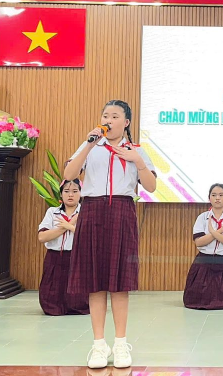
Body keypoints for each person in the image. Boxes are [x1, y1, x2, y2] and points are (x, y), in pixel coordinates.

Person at [62, 100, 157, 369]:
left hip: (122, 213)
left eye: (115, 116)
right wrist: (89, 144)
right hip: (92, 212)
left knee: (119, 282)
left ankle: (121, 343)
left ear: (126, 122)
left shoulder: (136, 150)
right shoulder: (91, 146)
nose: (109, 120)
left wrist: (137, 161)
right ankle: (98, 345)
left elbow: (151, 186)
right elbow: (69, 174)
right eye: (105, 115)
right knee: (95, 282)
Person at [182, 183, 223, 310]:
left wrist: (214, 232)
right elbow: (199, 242)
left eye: (221, 195)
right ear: (209, 198)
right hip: (204, 261)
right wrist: (219, 232)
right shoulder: (202, 217)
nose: (217, 198)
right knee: (194, 301)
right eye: (214, 195)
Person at [37, 178, 89, 315]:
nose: (70, 195)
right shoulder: (52, 212)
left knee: (78, 299)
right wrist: (66, 226)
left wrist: (70, 227)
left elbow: (89, 238)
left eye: (75, 191)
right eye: (66, 191)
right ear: (61, 194)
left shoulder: (86, 213)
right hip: (54, 258)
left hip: (77, 258)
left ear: (81, 193)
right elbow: (42, 237)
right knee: (51, 296)